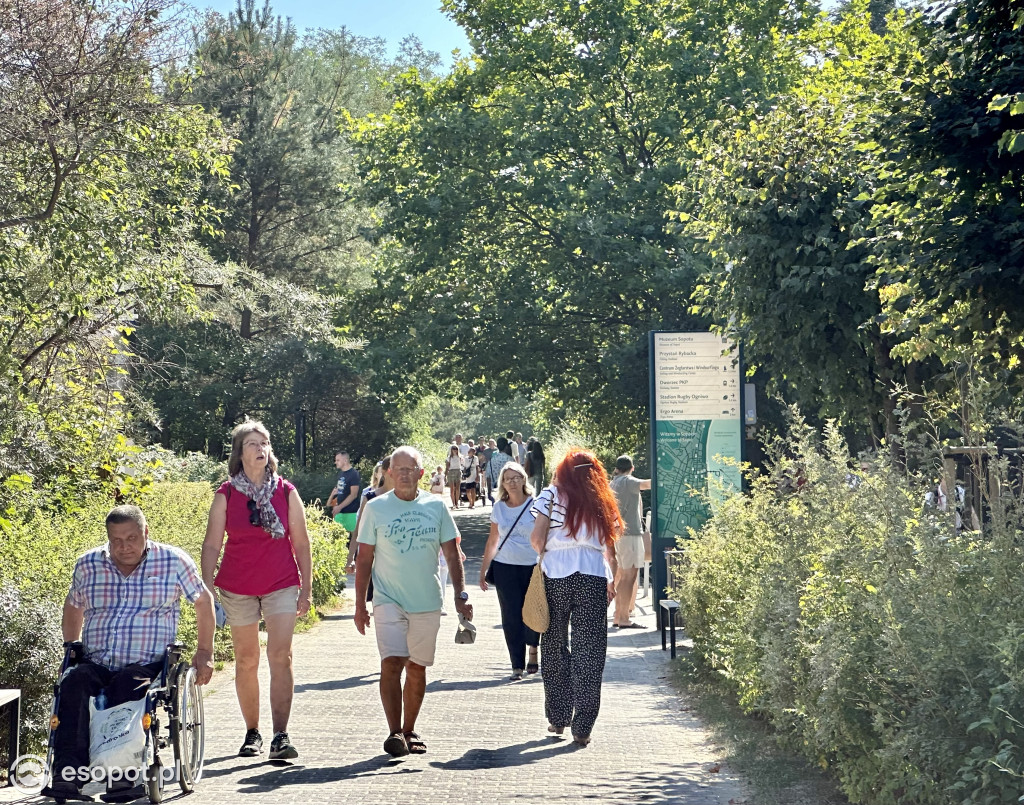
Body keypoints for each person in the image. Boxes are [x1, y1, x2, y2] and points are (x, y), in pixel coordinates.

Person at [43, 505, 216, 802]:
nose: (124, 547)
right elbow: (74, 605)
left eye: (132, 538)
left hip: (146, 664)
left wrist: (205, 651)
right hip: (96, 661)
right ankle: (68, 773)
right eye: (117, 540)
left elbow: (203, 601)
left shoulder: (173, 562)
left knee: (127, 685)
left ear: (146, 533)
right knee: (73, 683)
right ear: (108, 538)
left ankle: (122, 776)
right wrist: (71, 648)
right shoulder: (88, 564)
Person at [201, 420, 313, 760]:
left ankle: (281, 734)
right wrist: (205, 589)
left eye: (264, 443)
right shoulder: (226, 494)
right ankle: (253, 732)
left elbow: (301, 543)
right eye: (252, 444)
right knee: (247, 660)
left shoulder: (286, 491)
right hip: (238, 587)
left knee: (281, 655)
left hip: (280, 582)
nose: (260, 449)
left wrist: (306, 588)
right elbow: (211, 545)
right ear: (240, 452)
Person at [353, 446, 473, 757]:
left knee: (417, 667)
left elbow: (452, 554)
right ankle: (394, 732)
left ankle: (410, 729)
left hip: (427, 601)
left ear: (421, 473)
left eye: (411, 469)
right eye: (398, 469)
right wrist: (359, 606)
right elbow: (364, 559)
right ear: (389, 473)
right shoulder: (376, 509)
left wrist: (461, 595)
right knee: (391, 663)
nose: (404, 474)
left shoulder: (436, 507)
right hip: (387, 599)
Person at [530, 448, 621, 747]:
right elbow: (611, 548)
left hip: (556, 573)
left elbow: (537, 538)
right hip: (593, 575)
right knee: (590, 650)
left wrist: (548, 549)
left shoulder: (551, 495)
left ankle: (558, 716)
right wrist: (612, 579)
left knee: (554, 643)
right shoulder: (602, 498)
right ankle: (582, 727)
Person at [479, 463, 539, 680]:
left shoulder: (537, 504)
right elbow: (493, 540)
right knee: (511, 615)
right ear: (502, 483)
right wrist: (483, 569)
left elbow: (546, 537)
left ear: (524, 480)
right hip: (505, 566)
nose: (512, 482)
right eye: (508, 479)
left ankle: (533, 648)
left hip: (533, 566)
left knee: (533, 612)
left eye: (516, 478)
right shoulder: (499, 507)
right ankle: (517, 664)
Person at [609, 455, 651, 629]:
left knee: (622, 577)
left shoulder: (613, 483)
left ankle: (619, 616)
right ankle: (625, 618)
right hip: (630, 534)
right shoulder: (628, 481)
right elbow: (647, 485)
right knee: (629, 577)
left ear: (617, 468)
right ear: (632, 468)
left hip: (618, 534)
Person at [329, 451, 361, 533]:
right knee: (338, 541)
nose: (335, 462)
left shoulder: (354, 474)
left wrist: (339, 507)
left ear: (345, 460)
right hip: (339, 514)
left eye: (338, 460)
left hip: (351, 513)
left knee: (351, 541)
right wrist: (334, 507)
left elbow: (353, 495)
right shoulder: (341, 474)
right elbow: (339, 493)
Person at [445, 443, 463, 510]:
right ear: (451, 450)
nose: (454, 450)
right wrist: (445, 475)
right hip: (451, 472)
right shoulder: (449, 458)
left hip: (458, 471)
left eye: (456, 449)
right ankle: (453, 504)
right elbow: (447, 467)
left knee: (457, 488)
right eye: (453, 449)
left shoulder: (460, 457)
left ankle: (457, 503)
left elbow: (463, 465)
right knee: (452, 489)